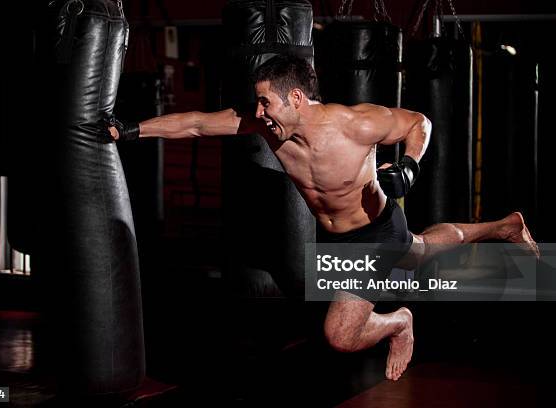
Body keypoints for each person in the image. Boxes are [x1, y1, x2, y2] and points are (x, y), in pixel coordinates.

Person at [109, 54, 539, 381]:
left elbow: (419, 123)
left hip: (377, 232)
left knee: (340, 334)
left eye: (265, 102)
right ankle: (505, 226)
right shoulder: (268, 128)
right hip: (344, 238)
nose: (258, 112)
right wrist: (130, 130)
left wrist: (408, 165)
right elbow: (197, 124)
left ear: (296, 98)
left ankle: (399, 321)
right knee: (423, 249)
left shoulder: (353, 124)